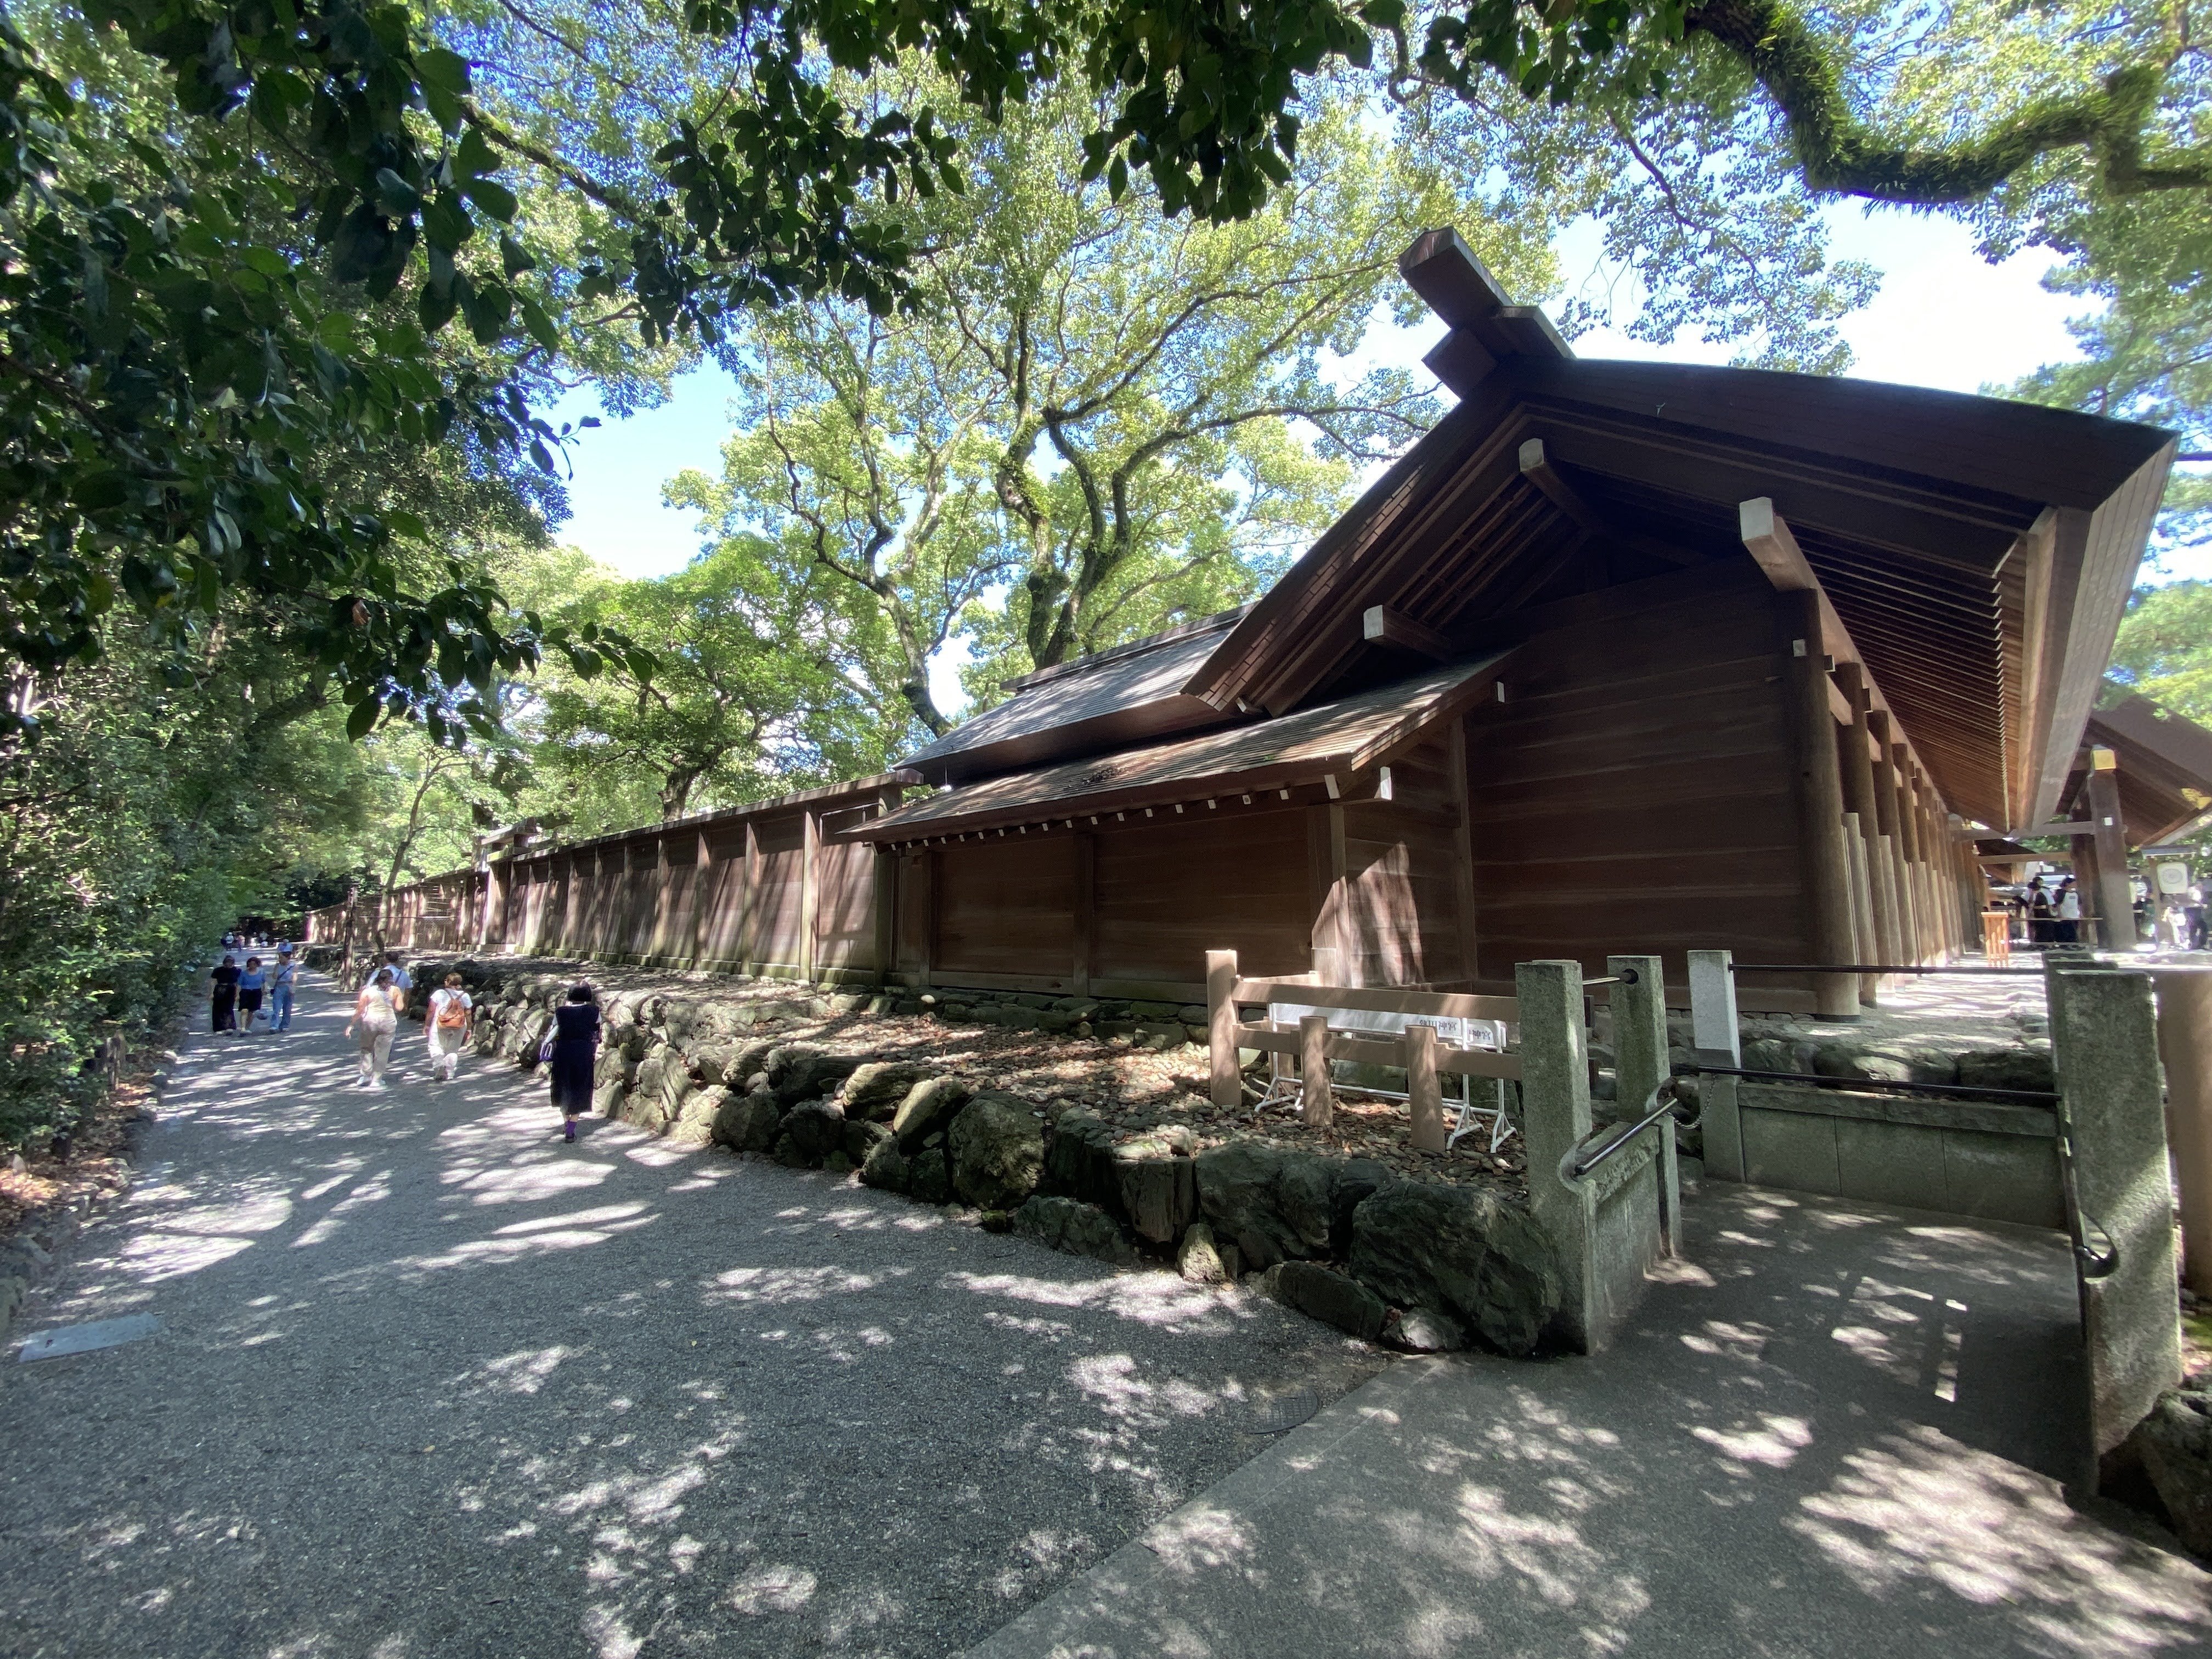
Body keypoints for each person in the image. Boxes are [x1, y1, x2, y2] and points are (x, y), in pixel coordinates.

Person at [548, 983, 600, 1143]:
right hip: (584, 1053)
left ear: (570, 996)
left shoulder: (560, 1012)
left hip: (563, 1053)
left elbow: (554, 1030)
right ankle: (571, 1129)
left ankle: (566, 1123)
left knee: (563, 1087)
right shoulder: (594, 1011)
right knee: (580, 1088)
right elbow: (597, 1032)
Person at [347, 967, 400, 1088]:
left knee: (366, 1048)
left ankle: (366, 1074)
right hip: (388, 1022)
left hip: (370, 1022)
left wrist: (351, 1024)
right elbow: (400, 1008)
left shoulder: (368, 991)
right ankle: (377, 1079)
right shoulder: (395, 990)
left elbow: (360, 1009)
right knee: (383, 1051)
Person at [425, 972, 473, 1084]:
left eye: (446, 980)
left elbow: (431, 1011)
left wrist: (427, 1025)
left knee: (435, 1046)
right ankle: (450, 1073)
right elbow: (469, 1013)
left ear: (448, 982)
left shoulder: (439, 993)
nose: (445, 982)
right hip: (459, 1025)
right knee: (452, 1050)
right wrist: (469, 1029)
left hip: (440, 1024)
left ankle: (439, 1065)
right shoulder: (465, 996)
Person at [210, 954, 241, 1035]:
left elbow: (238, 984)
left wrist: (238, 994)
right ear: (224, 962)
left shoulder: (237, 971)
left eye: (231, 962)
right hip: (219, 989)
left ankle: (229, 1026)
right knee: (217, 1009)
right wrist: (212, 993)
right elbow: (213, 982)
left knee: (229, 1008)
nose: (229, 964)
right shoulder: (218, 970)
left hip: (231, 990)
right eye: (227, 962)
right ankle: (219, 1028)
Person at [236, 956, 267, 1034]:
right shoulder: (243, 973)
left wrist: (265, 990)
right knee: (244, 1010)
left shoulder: (261, 972)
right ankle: (243, 1028)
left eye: (254, 964)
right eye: (250, 964)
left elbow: (264, 982)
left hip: (257, 992)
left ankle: (247, 1027)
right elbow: (239, 985)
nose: (252, 965)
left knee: (252, 1012)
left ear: (257, 964)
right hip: (245, 992)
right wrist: (237, 995)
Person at [270, 945, 298, 1032]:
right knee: (276, 1008)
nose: (280, 959)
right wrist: (276, 968)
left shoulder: (293, 966)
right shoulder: (278, 965)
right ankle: (274, 1026)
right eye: (279, 957)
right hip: (279, 987)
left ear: (287, 957)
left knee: (287, 1008)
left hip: (289, 986)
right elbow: (274, 977)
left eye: (281, 957)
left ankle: (285, 1025)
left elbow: (295, 977)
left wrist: (293, 987)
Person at [383, 951, 413, 1015]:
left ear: (385, 960)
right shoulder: (404, 974)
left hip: (381, 1006)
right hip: (397, 1007)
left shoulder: (378, 973)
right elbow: (408, 991)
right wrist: (405, 1006)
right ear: (397, 961)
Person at [2056, 876, 2083, 945]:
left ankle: (2075, 944)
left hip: (2075, 916)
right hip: (2066, 916)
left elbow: (2079, 904)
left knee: (2075, 931)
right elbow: (2059, 905)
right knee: (2067, 931)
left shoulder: (2076, 893)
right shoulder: (2063, 893)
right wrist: (2060, 915)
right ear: (2068, 884)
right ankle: (2068, 945)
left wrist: (2081, 914)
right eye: (2073, 883)